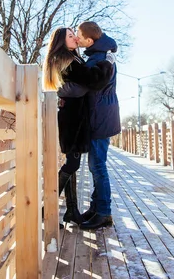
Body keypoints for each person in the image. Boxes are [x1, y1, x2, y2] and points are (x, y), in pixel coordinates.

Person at [42, 27, 115, 226]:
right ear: (61, 41)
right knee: (72, 164)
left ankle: (72, 211)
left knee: (72, 164)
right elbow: (92, 81)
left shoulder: (70, 59)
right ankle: (45, 209)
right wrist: (108, 63)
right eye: (70, 35)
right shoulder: (66, 59)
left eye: (75, 34)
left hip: (74, 118)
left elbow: (78, 85)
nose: (75, 37)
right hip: (73, 120)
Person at [58, 21, 120, 230]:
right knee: (96, 166)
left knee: (98, 167)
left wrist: (61, 91)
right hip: (99, 116)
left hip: (99, 118)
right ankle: (96, 208)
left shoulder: (100, 59)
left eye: (79, 35)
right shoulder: (98, 56)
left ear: (89, 40)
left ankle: (103, 212)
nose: (77, 38)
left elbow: (90, 85)